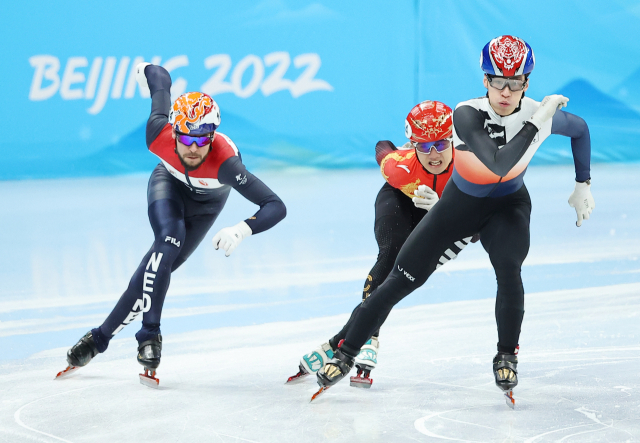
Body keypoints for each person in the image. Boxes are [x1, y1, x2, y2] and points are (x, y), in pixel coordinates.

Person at [312, 35, 594, 405]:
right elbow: (498, 163)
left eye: (514, 83)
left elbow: (580, 130)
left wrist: (582, 183)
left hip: (507, 207)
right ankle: (346, 353)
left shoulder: (539, 114)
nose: (505, 92)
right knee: (400, 277)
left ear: (527, 83)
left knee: (509, 270)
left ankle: (506, 354)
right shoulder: (466, 113)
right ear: (484, 80)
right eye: (497, 80)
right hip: (459, 206)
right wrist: (538, 122)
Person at [58, 63, 286, 386]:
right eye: (187, 139)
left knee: (154, 272)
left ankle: (99, 338)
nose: (194, 149)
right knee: (169, 239)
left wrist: (242, 228)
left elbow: (276, 205)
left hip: (207, 205)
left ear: (213, 136)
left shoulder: (225, 163)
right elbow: (160, 81)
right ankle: (149, 335)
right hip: (168, 183)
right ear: (174, 132)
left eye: (203, 139)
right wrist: (146, 69)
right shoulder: (157, 134)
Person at [289, 100, 467, 388]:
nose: (433, 154)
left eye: (440, 144)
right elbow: (382, 146)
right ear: (412, 145)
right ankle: (370, 336)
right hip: (399, 198)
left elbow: (479, 228)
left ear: (453, 141)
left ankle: (337, 342)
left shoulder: (469, 168)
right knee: (391, 257)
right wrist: (403, 152)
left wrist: (446, 210)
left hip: (448, 220)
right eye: (423, 146)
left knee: (404, 280)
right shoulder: (399, 168)